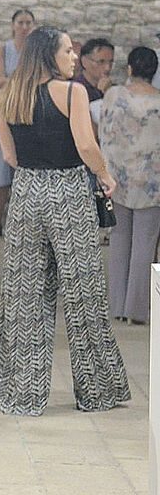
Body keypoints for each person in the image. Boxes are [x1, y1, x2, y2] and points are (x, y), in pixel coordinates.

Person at [0, 26, 130, 416]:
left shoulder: (9, 95)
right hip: (68, 191)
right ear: (48, 55)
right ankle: (97, 391)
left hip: (25, 192)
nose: (74, 57)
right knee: (83, 291)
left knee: (24, 294)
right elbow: (86, 145)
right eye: (68, 51)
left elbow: (9, 155)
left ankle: (22, 394)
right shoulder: (72, 93)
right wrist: (103, 174)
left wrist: (35, 173)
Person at [99, 46, 160, 324]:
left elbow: (105, 131)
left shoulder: (114, 95)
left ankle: (117, 306)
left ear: (130, 69)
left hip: (117, 180)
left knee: (119, 241)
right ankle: (137, 309)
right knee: (145, 245)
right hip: (152, 183)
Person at [0, 8, 34, 238]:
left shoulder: (34, 50)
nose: (24, 27)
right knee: (1, 170)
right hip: (6, 111)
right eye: (21, 22)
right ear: (13, 25)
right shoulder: (2, 48)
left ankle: (22, 226)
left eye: (28, 23)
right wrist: (21, 80)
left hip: (27, 113)